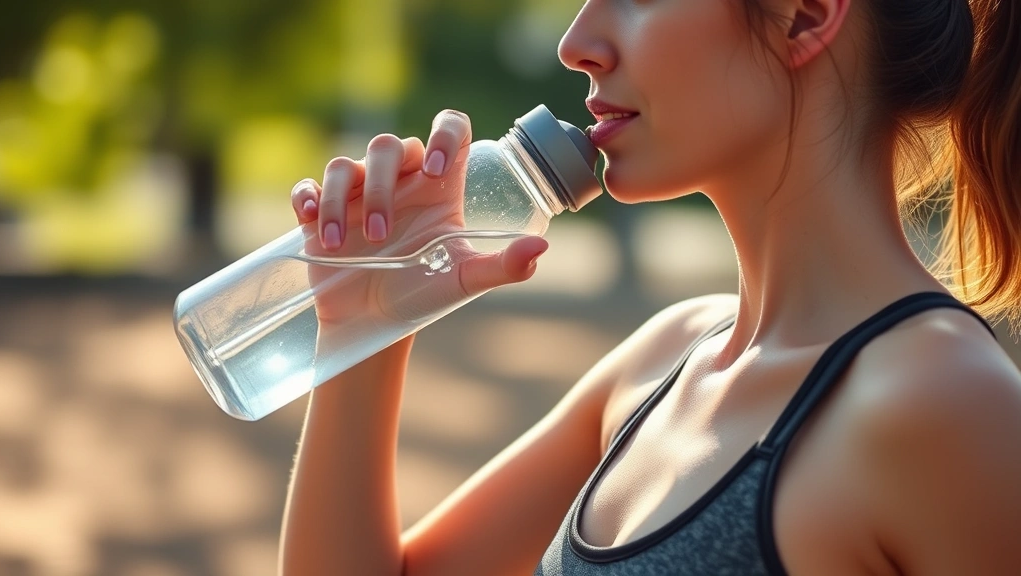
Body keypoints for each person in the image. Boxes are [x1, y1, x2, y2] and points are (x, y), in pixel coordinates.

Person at [278, 0, 1021, 573]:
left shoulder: (945, 401)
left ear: (807, 14)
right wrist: (368, 324)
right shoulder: (663, 359)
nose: (576, 42)